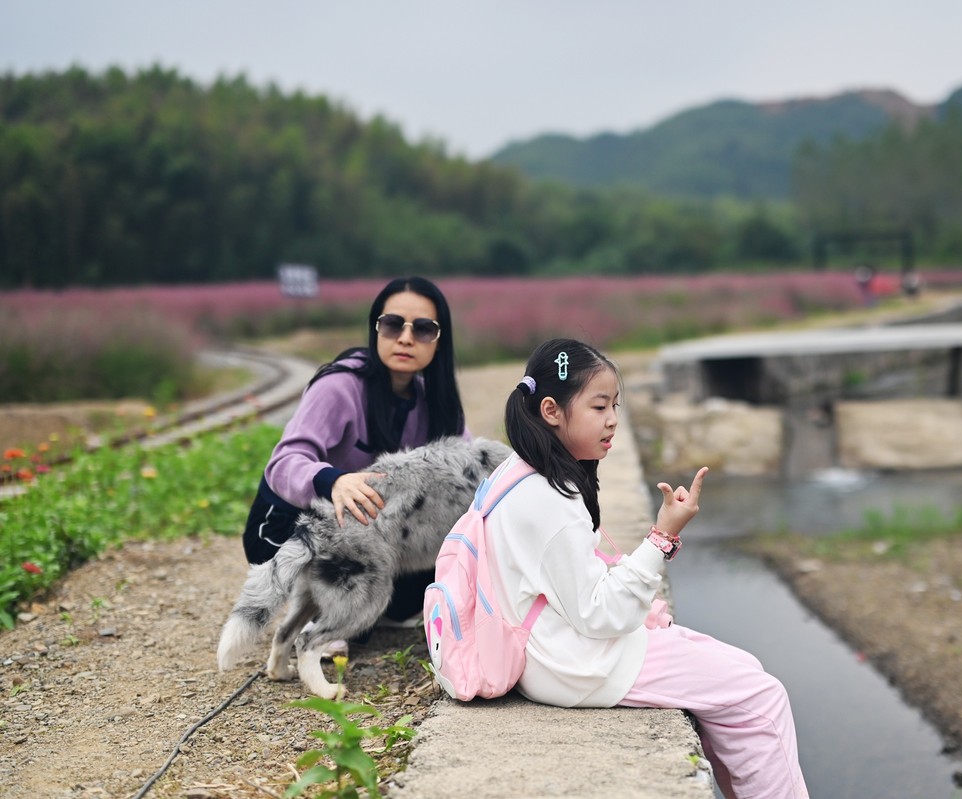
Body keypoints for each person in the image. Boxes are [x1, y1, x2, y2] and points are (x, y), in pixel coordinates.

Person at [487, 338, 809, 799]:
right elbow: (601, 615)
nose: (613, 419)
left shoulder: (520, 471)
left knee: (745, 669)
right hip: (571, 664)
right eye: (599, 406)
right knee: (762, 697)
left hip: (551, 647)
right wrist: (662, 536)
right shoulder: (553, 499)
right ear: (552, 410)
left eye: (615, 404)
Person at [241, 276, 469, 654]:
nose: (406, 338)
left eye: (424, 328)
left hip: (364, 537)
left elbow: (464, 465)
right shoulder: (340, 386)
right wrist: (332, 481)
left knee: (431, 575)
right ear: (376, 328)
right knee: (352, 614)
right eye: (393, 324)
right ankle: (323, 619)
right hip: (289, 524)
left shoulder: (436, 402)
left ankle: (356, 612)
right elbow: (284, 462)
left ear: (439, 340)